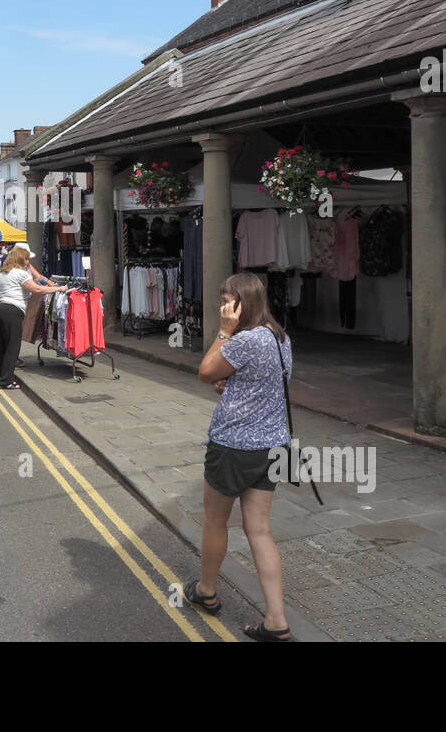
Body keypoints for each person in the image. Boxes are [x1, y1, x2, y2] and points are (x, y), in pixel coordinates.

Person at [185, 272, 294, 641]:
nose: (222, 307)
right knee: (260, 530)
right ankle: (276, 620)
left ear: (243, 303)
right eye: (222, 300)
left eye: (228, 301)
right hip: (273, 446)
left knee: (215, 522)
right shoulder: (280, 337)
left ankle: (206, 591)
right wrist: (230, 385)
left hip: (234, 448)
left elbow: (204, 372)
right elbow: (261, 385)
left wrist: (223, 331)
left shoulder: (243, 339)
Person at [0, 246, 65, 389]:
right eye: (26, 258)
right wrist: (58, 289)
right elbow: (37, 289)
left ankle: (0, 378)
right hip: (11, 311)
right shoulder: (21, 274)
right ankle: (6, 381)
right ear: (20, 259)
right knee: (12, 347)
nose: (28, 261)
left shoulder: (0, 273)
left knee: (2, 346)